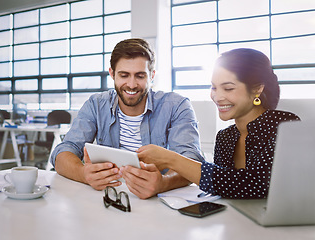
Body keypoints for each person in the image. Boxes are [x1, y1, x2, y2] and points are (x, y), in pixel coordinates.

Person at [136, 48, 300, 199]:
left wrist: (172, 160)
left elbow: (255, 185)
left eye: (228, 88)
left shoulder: (285, 125)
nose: (218, 97)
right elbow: (222, 187)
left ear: (257, 89)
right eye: (214, 88)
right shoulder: (225, 137)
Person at [50, 38, 204, 199]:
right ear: (112, 74)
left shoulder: (177, 105)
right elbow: (63, 151)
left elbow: (191, 160)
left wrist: (164, 183)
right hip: (108, 198)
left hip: (160, 203)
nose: (131, 84)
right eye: (124, 75)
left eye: (140, 76)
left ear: (151, 75)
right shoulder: (96, 104)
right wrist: (83, 174)